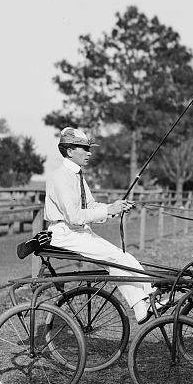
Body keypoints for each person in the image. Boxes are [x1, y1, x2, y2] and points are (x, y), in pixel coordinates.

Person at [45, 127, 156, 323]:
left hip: (78, 232)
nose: (89, 153)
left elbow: (91, 206)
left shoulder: (78, 175)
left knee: (123, 256)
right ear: (70, 151)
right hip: (64, 234)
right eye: (84, 148)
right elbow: (74, 216)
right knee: (114, 258)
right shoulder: (60, 176)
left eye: (89, 149)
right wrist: (108, 210)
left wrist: (115, 207)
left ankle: (152, 297)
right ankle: (139, 305)